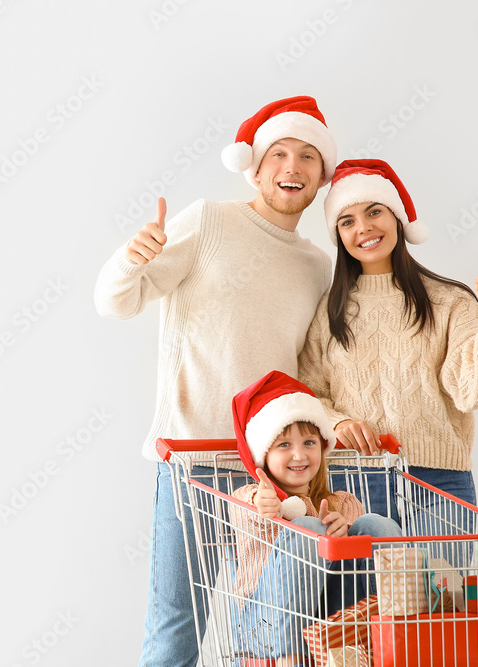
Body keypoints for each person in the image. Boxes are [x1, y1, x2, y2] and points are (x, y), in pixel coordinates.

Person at [94, 96, 337, 667]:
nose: (292, 168)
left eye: (308, 157)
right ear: (254, 165)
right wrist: (132, 258)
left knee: (273, 633)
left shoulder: (316, 266)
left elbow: (306, 373)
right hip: (192, 458)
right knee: (179, 625)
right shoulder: (208, 221)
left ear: (322, 178)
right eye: (279, 153)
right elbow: (116, 302)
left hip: (276, 471)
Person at [297, 159, 478, 554]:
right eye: (347, 221)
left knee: (438, 609)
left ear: (398, 220)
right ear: (338, 235)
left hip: (439, 483)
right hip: (353, 483)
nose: (364, 228)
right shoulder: (329, 312)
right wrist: (339, 422)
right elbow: (307, 395)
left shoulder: (449, 302)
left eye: (374, 212)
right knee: (364, 612)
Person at [229, 371, 401, 667]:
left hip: (334, 624)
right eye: (284, 445)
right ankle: (290, 660)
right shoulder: (250, 497)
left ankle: (393, 645)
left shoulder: (342, 503)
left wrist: (344, 534)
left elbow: (355, 563)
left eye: (309, 442)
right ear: (263, 455)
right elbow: (247, 512)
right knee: (308, 529)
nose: (299, 454)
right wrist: (262, 504)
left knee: (376, 527)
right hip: (265, 628)